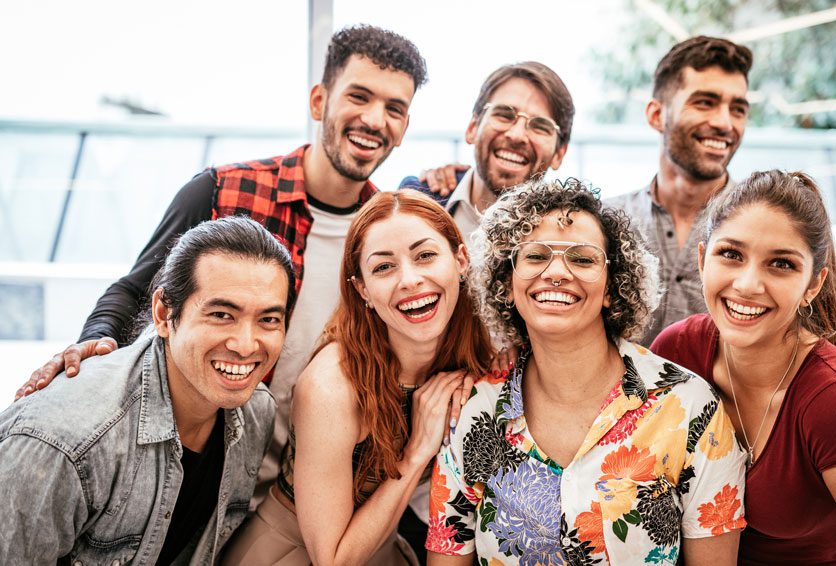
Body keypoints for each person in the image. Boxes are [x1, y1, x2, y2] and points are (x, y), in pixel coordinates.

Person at [18, 24, 428, 503]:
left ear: (404, 127)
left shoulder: (387, 235)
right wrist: (93, 349)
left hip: (309, 492)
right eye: (359, 96)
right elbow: (136, 290)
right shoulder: (221, 191)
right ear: (319, 102)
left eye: (394, 108)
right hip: (192, 468)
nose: (375, 119)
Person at [427, 179, 747, 565]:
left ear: (612, 287)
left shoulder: (691, 408)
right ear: (506, 282)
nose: (556, 272)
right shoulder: (472, 412)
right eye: (535, 256)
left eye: (582, 259)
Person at [650, 170, 836, 565]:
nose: (748, 284)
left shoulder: (835, 399)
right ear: (702, 258)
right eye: (731, 254)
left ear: (813, 285)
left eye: (780, 264)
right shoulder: (675, 352)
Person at [222, 190, 494, 565]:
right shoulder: (331, 386)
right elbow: (333, 559)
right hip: (293, 553)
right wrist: (417, 452)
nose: (410, 279)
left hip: (382, 548)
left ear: (461, 260)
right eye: (383, 267)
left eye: (425, 256)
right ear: (362, 288)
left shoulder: (474, 350)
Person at [0, 216, 290, 564]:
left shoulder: (256, 413)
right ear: (163, 314)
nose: (246, 345)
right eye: (221, 315)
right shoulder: (66, 443)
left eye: (268, 320)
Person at [605, 36, 753, 346]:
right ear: (656, 115)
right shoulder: (606, 222)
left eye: (737, 109)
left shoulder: (767, 228)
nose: (725, 123)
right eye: (705, 102)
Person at [399, 61, 574, 239]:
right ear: (473, 128)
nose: (516, 135)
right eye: (504, 115)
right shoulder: (416, 199)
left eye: (540, 127)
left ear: (560, 153)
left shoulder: (567, 234)